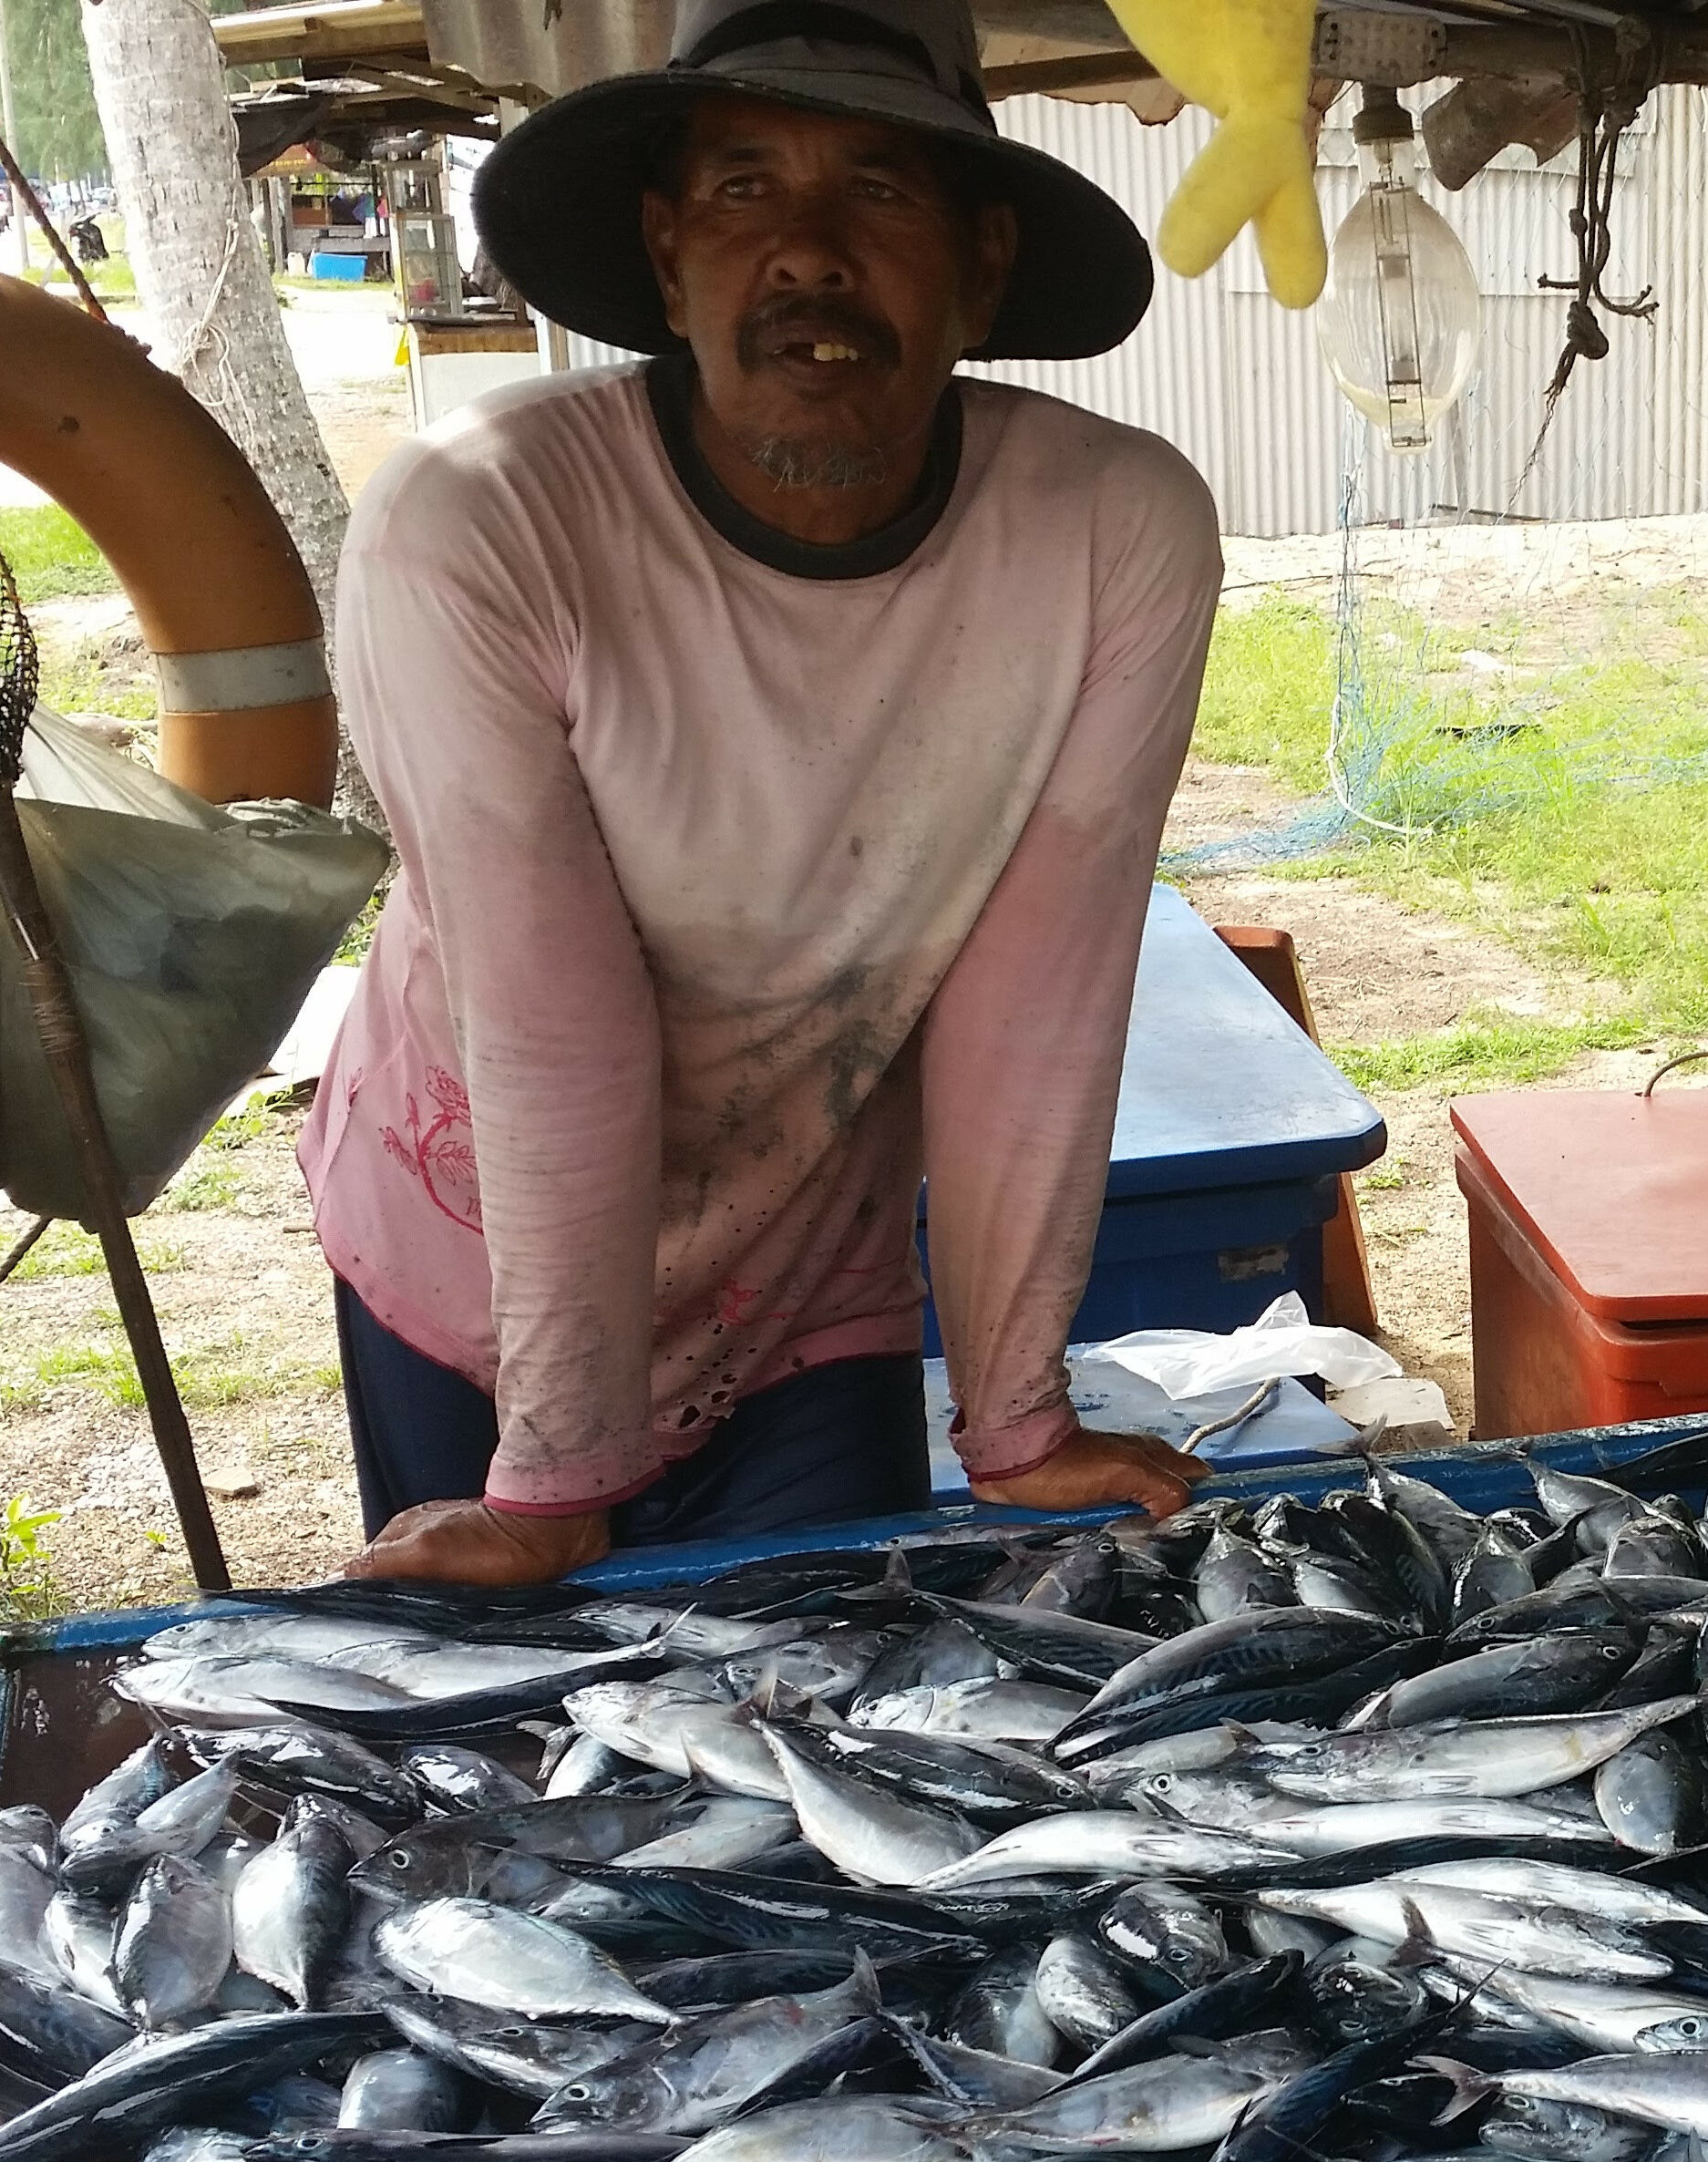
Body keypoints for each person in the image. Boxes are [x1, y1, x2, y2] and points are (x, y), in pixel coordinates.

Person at [300, 0, 1219, 1585]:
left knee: (818, 1702)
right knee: (514, 1750)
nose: (804, 253)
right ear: (666, 258)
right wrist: (552, 1475)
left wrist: (1012, 1417)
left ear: (982, 263)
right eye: (741, 190)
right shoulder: (476, 521)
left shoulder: (1113, 530)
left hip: (807, 1265)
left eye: (878, 190)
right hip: (481, 1244)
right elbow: (547, 1009)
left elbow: (1040, 996)